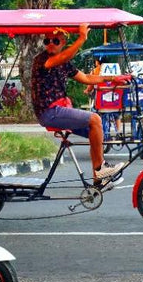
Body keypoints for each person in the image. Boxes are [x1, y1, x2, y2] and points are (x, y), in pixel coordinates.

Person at [30, 24, 128, 184]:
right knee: (95, 118)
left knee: (95, 130)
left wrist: (112, 78)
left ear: (63, 43)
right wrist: (82, 38)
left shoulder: (64, 63)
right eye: (47, 41)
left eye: (55, 41)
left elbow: (87, 78)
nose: (50, 44)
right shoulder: (42, 60)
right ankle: (101, 169)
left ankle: (98, 175)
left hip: (58, 110)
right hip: (50, 112)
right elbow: (60, 59)